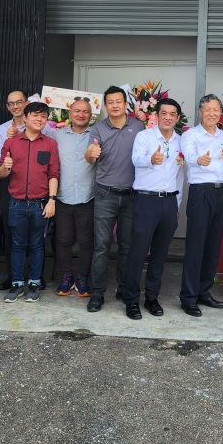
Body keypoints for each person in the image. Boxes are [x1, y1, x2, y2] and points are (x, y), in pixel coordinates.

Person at [124, 98, 185, 320]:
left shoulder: (181, 142)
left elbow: (180, 175)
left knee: (160, 254)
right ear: (156, 116)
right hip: (146, 200)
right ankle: (131, 300)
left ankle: (152, 297)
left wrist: (177, 204)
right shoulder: (145, 137)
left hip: (169, 202)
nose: (168, 117)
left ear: (178, 118)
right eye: (164, 113)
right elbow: (135, 159)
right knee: (138, 252)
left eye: (172, 114)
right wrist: (151, 159)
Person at [85, 86, 144, 313]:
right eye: (110, 102)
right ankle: (98, 292)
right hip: (104, 194)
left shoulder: (138, 126)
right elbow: (90, 156)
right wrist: (91, 154)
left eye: (118, 101)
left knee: (127, 246)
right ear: (105, 106)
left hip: (131, 195)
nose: (115, 105)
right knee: (101, 246)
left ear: (126, 104)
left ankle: (124, 288)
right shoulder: (98, 129)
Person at [0, 101, 59, 303]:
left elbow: (53, 174)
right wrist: (5, 166)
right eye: (35, 115)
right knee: (17, 245)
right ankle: (17, 283)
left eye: (43, 116)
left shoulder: (50, 144)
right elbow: (1, 173)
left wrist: (52, 200)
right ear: (25, 118)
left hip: (40, 203)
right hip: (16, 203)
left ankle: (34, 282)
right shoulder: (11, 143)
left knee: (37, 245)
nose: (39, 119)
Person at [179, 94, 223, 317]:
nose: (212, 113)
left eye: (216, 109)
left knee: (213, 245)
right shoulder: (190, 135)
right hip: (201, 192)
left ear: (220, 113)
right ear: (200, 112)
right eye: (208, 109)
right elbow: (189, 155)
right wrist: (199, 159)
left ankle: (204, 291)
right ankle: (188, 297)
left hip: (222, 192)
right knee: (196, 246)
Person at [49, 99, 96, 298]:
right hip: (63, 196)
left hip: (87, 197)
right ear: (70, 114)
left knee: (86, 241)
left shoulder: (96, 135)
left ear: (90, 116)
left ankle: (82, 277)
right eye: (77, 111)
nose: (81, 114)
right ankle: (66, 276)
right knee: (62, 240)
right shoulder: (56, 135)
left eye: (85, 111)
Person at [0, 91, 28, 292]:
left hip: (34, 182)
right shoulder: (2, 129)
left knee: (35, 232)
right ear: (7, 107)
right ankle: (13, 275)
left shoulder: (40, 125)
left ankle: (36, 275)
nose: (15, 106)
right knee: (10, 230)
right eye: (11, 103)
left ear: (26, 103)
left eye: (19, 102)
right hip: (9, 181)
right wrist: (10, 142)